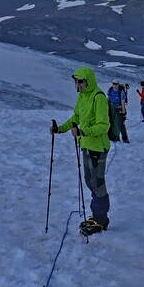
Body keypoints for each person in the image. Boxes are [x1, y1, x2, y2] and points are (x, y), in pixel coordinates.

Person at [51, 66, 112, 235]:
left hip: (98, 147)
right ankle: (96, 215)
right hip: (85, 144)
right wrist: (60, 129)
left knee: (98, 183)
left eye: (80, 81)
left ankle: (101, 220)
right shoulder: (83, 96)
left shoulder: (98, 97)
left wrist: (83, 132)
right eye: (76, 81)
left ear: (88, 81)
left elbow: (103, 125)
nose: (78, 84)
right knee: (89, 181)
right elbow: (76, 118)